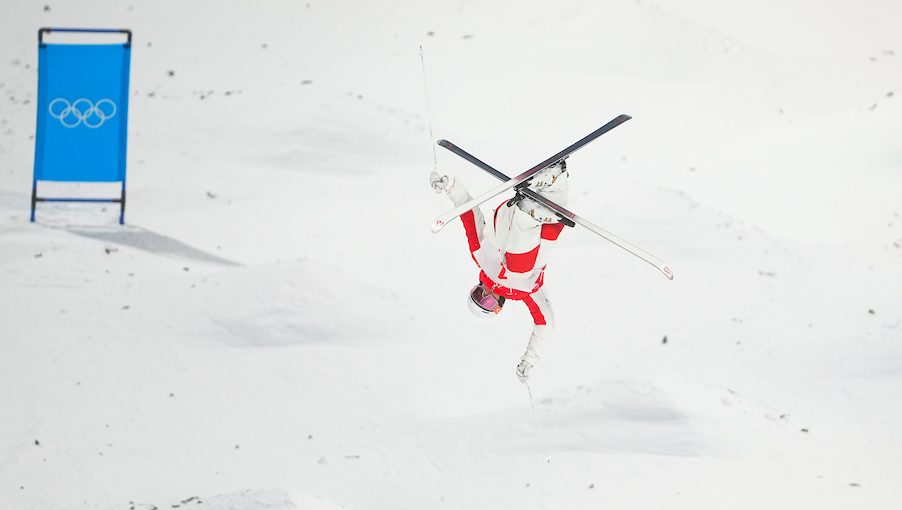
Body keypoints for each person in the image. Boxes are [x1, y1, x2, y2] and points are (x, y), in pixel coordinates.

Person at [430, 161, 570, 382]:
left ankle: (528, 210)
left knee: (517, 268)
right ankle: (555, 178)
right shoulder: (525, 292)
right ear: (498, 308)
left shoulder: (480, 257)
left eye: (478, 294)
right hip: (547, 222)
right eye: (486, 302)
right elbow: (545, 324)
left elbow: (468, 213)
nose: (486, 294)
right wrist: (529, 360)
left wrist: (450, 186)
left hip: (512, 216)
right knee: (524, 269)